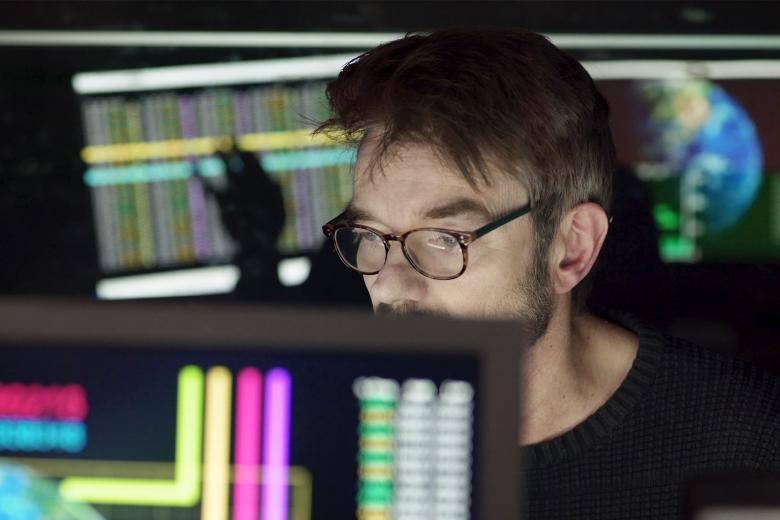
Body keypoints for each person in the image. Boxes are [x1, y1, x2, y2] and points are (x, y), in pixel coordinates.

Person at [316, 29, 780, 519]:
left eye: (443, 238)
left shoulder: (755, 449)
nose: (390, 285)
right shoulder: (302, 430)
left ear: (571, 249)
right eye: (369, 234)